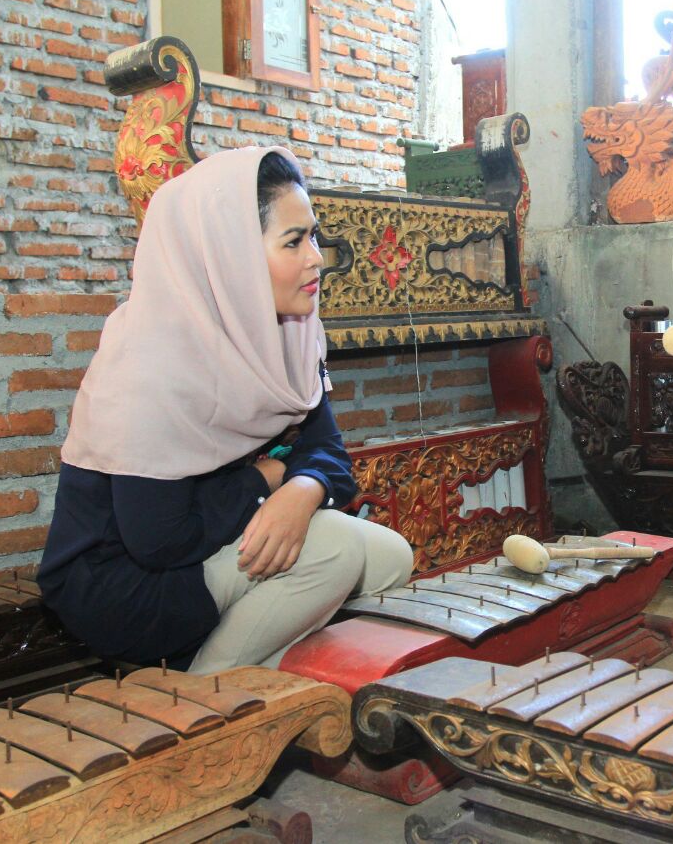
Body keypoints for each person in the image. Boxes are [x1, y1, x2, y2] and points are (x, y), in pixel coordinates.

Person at [39, 146, 413, 674]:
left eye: (312, 235)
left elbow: (328, 452)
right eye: (293, 241)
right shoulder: (152, 362)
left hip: (211, 542)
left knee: (390, 558)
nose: (317, 258)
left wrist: (302, 492)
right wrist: (271, 478)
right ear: (231, 255)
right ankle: (199, 708)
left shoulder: (291, 334)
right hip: (124, 585)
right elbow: (161, 541)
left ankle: (263, 672)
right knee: (337, 550)